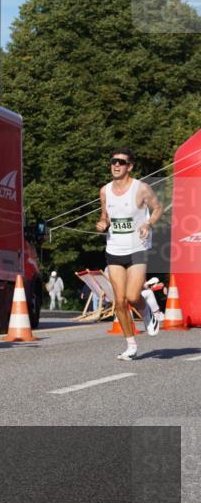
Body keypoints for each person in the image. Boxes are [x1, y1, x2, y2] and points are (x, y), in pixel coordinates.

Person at [96, 149, 163, 359]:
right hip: (114, 249)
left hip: (137, 248)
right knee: (120, 301)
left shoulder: (141, 188)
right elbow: (105, 216)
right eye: (113, 161)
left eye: (121, 162)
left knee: (133, 296)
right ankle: (131, 345)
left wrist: (148, 223)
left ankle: (147, 312)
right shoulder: (105, 191)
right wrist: (102, 223)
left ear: (130, 167)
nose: (116, 165)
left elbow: (158, 208)